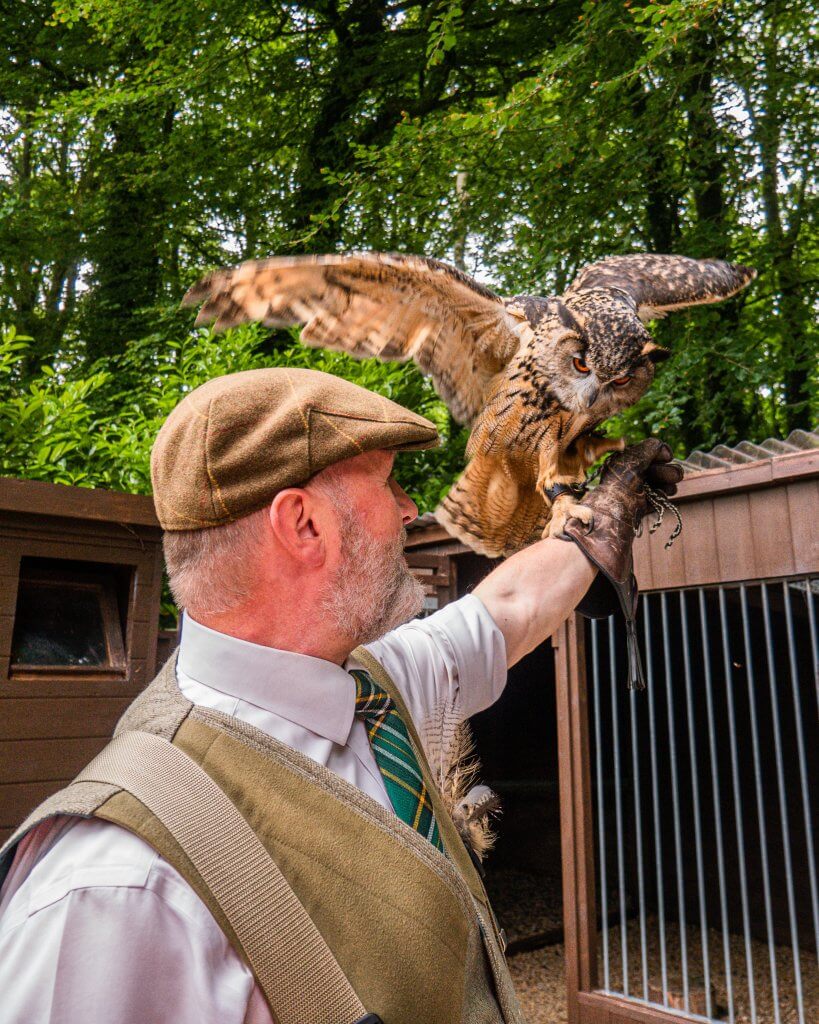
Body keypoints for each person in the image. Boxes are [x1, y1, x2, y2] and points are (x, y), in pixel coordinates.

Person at [0, 367, 681, 1024]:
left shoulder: (374, 686)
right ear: (303, 525)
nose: (411, 509)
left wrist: (601, 518)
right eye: (388, 484)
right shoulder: (114, 891)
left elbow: (507, 608)